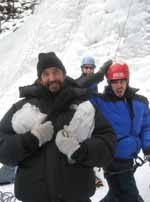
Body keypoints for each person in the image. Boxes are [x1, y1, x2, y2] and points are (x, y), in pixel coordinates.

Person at [0, 52, 116, 202]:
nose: (52, 78)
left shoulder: (83, 106)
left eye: (56, 72)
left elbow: (108, 144)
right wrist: (31, 140)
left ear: (64, 74)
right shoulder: (22, 108)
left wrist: (80, 150)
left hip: (76, 198)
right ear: (40, 79)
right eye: (46, 74)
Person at [90, 62, 150, 202]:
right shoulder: (101, 102)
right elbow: (79, 92)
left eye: (122, 81)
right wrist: (96, 77)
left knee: (117, 194)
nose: (119, 85)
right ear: (109, 82)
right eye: (115, 81)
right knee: (130, 196)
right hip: (111, 158)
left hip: (129, 159)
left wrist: (147, 147)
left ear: (127, 80)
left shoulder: (140, 102)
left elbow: (147, 126)